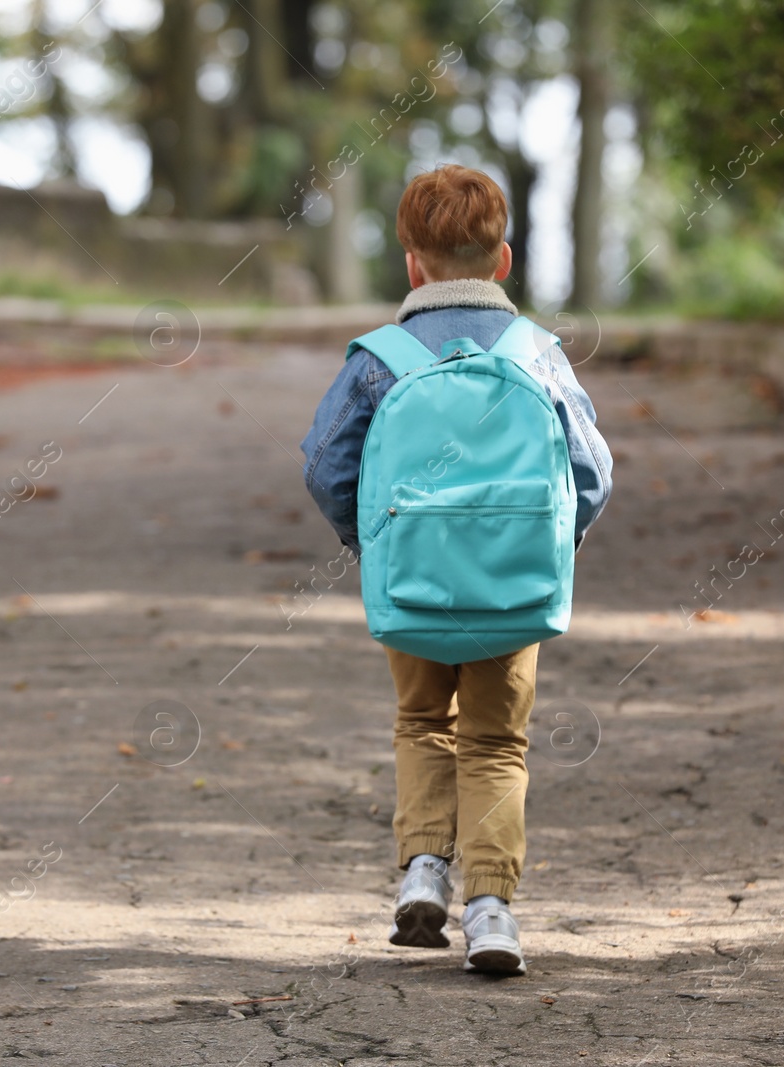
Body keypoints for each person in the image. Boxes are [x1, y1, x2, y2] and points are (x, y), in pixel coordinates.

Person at [299, 164, 613, 975]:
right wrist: (544, 547)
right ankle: (493, 910)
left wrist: (373, 542)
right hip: (512, 590)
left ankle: (423, 871)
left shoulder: (381, 358)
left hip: (411, 585)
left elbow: (326, 463)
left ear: (411, 262)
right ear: (503, 259)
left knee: (422, 723)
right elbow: (591, 472)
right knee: (498, 741)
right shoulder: (536, 353)